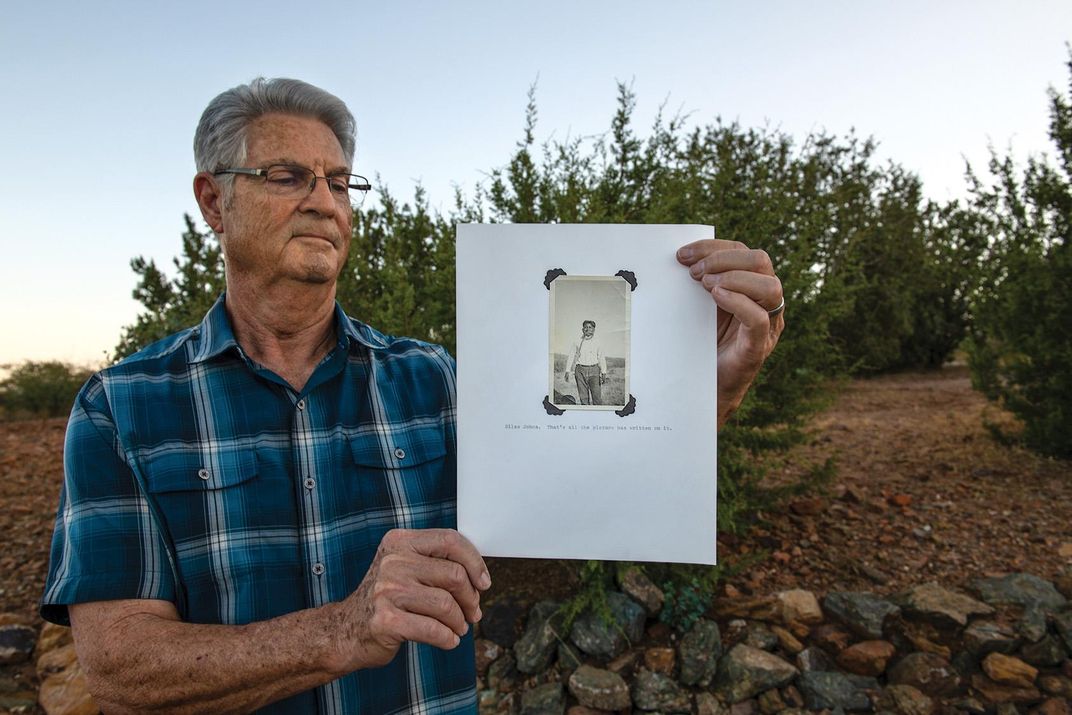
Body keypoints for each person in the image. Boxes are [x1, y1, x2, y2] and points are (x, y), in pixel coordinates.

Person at [40, 77, 786, 713]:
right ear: (213, 200)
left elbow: (577, 503)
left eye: (338, 181)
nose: (323, 200)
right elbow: (119, 668)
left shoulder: (433, 378)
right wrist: (341, 630)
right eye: (287, 176)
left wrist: (706, 391)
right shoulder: (121, 408)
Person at [564, 319, 608, 405]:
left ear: (593, 329)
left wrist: (604, 372)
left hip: (594, 371)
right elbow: (571, 356)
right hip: (580, 371)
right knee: (583, 398)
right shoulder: (577, 341)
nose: (587, 329)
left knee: (597, 398)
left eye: (590, 327)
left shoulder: (598, 342)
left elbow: (601, 358)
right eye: (585, 327)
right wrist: (567, 370)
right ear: (582, 329)